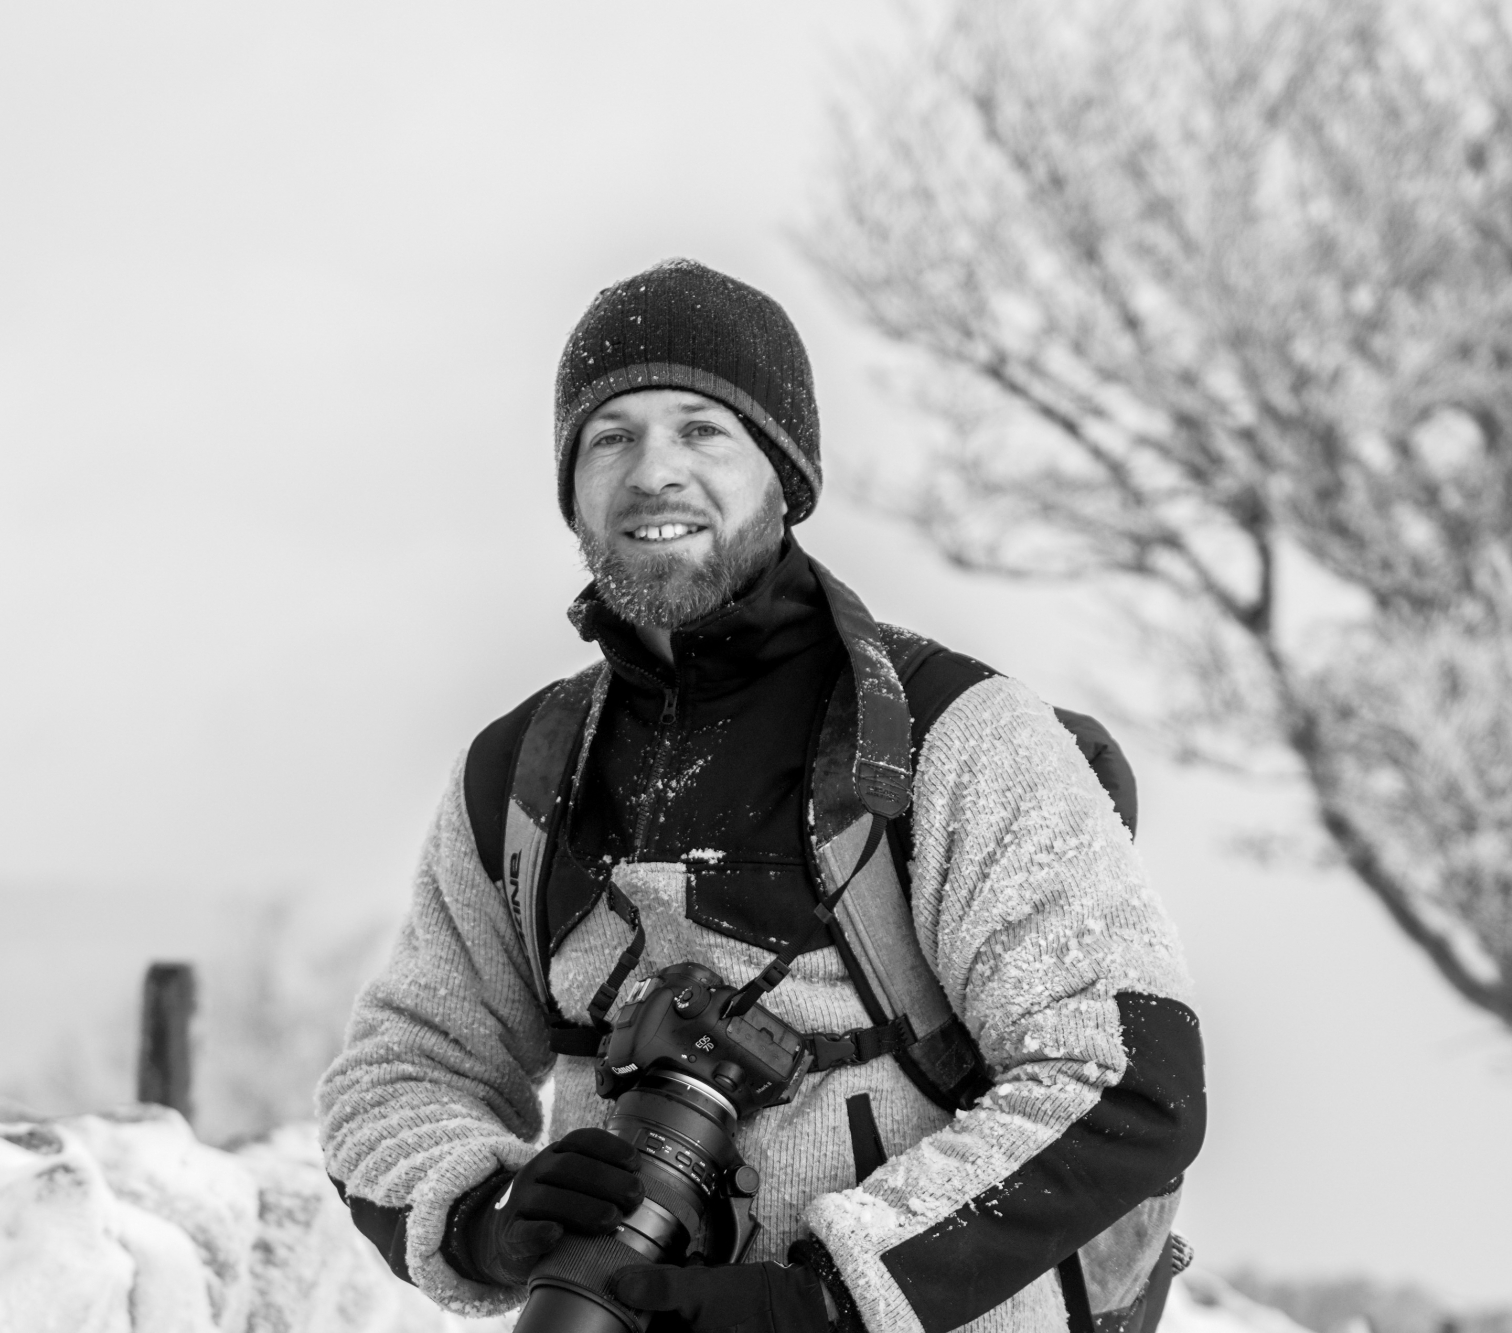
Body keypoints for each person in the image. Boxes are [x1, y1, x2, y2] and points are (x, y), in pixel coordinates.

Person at [317, 259, 1204, 1333]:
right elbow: (399, 1070)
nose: (654, 472)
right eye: (612, 437)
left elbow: (1123, 1078)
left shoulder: (952, 736)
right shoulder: (520, 775)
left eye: (702, 430)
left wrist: (831, 1299)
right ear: (573, 491)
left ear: (784, 475)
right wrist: (486, 1215)